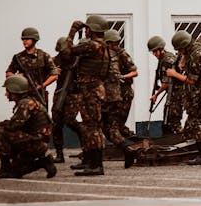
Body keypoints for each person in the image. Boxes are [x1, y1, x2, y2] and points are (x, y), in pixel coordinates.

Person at [61, 15, 110, 176]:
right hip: (91, 89)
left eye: (88, 28)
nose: (86, 30)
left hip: (91, 90)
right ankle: (90, 162)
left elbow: (66, 52)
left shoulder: (92, 46)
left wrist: (72, 32)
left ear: (93, 30)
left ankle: (97, 165)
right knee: (90, 128)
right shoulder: (100, 46)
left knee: (93, 128)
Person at [0, 76, 56, 179]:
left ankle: (5, 169)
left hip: (35, 143)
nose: (5, 94)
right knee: (17, 172)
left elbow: (13, 126)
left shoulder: (25, 104)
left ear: (14, 91)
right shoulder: (27, 102)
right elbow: (16, 124)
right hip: (37, 142)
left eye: (7, 91)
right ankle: (44, 162)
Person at [167, 30, 201, 165]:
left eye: (179, 49)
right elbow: (185, 64)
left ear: (185, 46)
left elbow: (191, 80)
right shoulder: (196, 48)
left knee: (198, 121)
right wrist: (182, 61)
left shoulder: (197, 55)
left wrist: (173, 74)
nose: (178, 52)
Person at [101, 29, 139, 168]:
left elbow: (135, 72)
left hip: (124, 93)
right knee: (114, 126)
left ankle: (130, 148)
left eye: (115, 43)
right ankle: (132, 144)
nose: (114, 46)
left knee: (114, 126)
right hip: (112, 94)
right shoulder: (104, 55)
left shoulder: (121, 54)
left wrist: (123, 77)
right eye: (112, 43)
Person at [6, 27, 59, 109]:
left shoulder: (43, 56)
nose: (24, 41)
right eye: (23, 39)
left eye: (27, 39)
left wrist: (42, 86)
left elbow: (55, 75)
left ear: (34, 40)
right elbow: (8, 73)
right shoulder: (18, 57)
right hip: (23, 95)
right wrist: (17, 77)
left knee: (42, 119)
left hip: (40, 95)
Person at [50, 36, 82, 163]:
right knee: (56, 124)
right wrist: (53, 72)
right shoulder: (55, 60)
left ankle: (86, 146)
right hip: (60, 93)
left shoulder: (77, 59)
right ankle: (59, 154)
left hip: (74, 94)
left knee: (70, 121)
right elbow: (47, 72)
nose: (65, 53)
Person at [147, 35, 185, 137]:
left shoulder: (167, 60)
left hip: (176, 94)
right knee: (168, 120)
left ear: (161, 49)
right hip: (173, 94)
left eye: (155, 51)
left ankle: (181, 142)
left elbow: (166, 83)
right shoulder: (165, 58)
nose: (154, 54)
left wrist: (156, 95)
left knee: (173, 121)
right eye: (153, 52)